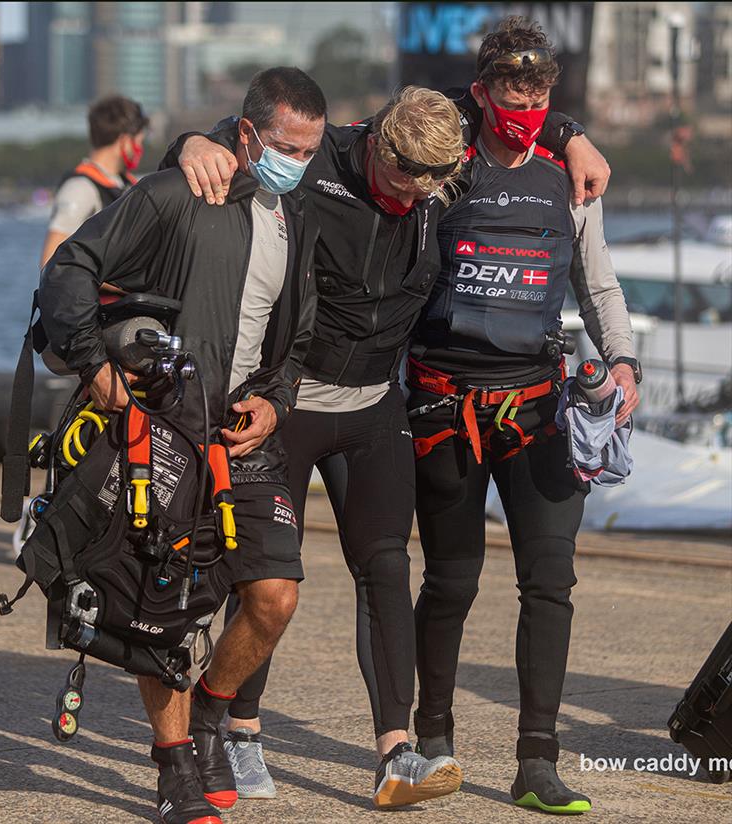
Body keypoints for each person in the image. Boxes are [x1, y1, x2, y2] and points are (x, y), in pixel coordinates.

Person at [163, 78, 613, 807]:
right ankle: (236, 728)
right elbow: (248, 138)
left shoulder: (437, 175)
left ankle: (395, 754)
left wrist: (568, 133)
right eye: (404, 180)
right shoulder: (323, 161)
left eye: (434, 184)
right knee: (267, 580)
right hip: (289, 401)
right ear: (378, 144)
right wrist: (193, 142)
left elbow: (504, 108)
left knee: (386, 567)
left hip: (374, 403)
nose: (415, 199)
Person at [37, 67, 325, 824]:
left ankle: (209, 716)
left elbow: (297, 337)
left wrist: (277, 397)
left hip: (243, 434)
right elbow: (68, 270)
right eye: (287, 146)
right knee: (157, 606)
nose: (298, 162)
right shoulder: (179, 191)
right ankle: (173, 769)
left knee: (274, 597)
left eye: (310, 150)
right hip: (162, 427)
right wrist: (95, 367)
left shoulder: (296, 216)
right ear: (249, 131)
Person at [407, 17, 641, 815]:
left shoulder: (568, 179)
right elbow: (399, 121)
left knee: (551, 582)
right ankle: (432, 741)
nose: (528, 101)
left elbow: (598, 282)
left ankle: (536, 763)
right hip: (446, 404)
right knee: (451, 582)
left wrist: (624, 361)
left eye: (542, 89)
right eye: (512, 87)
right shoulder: (444, 167)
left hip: (540, 407)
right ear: (481, 89)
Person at [40, 95, 149, 267]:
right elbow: (50, 263)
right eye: (140, 142)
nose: (141, 149)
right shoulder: (80, 189)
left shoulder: (127, 185)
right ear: (125, 141)